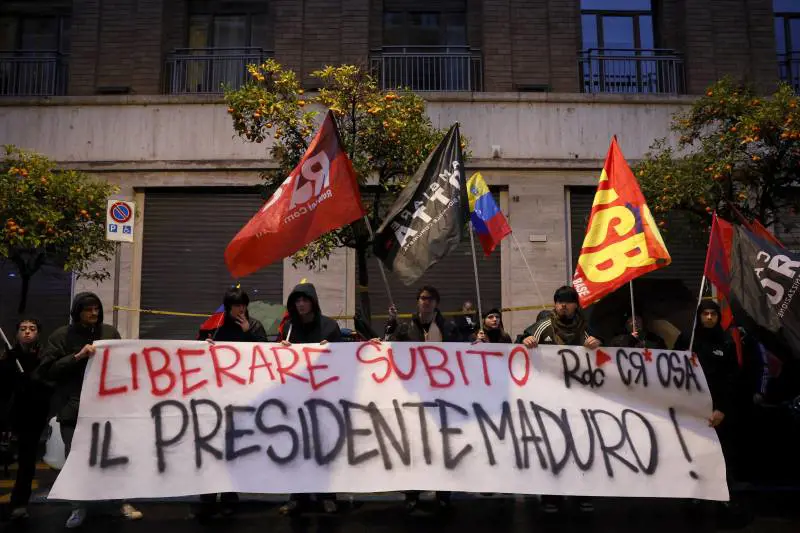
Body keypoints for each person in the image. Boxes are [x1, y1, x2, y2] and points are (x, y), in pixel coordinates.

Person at [39, 292, 143, 529]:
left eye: (96, 308)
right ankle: (78, 507)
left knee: (115, 457)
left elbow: (124, 364)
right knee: (75, 459)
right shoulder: (61, 336)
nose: (94, 313)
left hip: (107, 410)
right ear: (77, 311)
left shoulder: (109, 333)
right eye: (88, 309)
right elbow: (49, 370)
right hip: (73, 410)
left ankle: (120, 502)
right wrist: (77, 357)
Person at [519, 285, 600, 514]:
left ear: (576, 305)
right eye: (559, 301)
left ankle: (582, 492)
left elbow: (601, 356)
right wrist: (525, 341)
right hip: (549, 400)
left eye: (568, 301)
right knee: (552, 446)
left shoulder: (585, 330)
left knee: (582, 445)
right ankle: (550, 495)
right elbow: (518, 345)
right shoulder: (543, 327)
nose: (563, 305)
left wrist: (597, 345)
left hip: (579, 400)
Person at [194, 287, 268, 520]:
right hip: (215, 397)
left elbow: (265, 355)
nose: (242, 309)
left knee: (233, 447)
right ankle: (207, 496)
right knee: (211, 446)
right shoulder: (213, 327)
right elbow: (196, 353)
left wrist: (248, 333)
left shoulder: (254, 326)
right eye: (237, 306)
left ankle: (229, 495)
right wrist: (204, 345)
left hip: (241, 397)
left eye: (244, 305)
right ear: (228, 307)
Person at [385, 286, 458, 513]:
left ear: (436, 302)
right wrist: (391, 326)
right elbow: (391, 346)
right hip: (414, 396)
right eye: (422, 298)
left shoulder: (448, 327)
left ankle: (443, 493)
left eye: (430, 299)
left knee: (442, 446)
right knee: (414, 446)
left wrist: (477, 340)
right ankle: (412, 493)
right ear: (417, 302)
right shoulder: (406, 327)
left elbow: (462, 350)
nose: (425, 302)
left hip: (442, 397)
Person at [277, 281, 342, 516]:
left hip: (324, 399)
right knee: (297, 447)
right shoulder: (288, 329)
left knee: (323, 448)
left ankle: (327, 496)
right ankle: (298, 496)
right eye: (297, 300)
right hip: (296, 401)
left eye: (304, 300)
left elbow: (343, 362)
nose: (301, 304)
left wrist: (331, 350)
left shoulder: (329, 327)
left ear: (313, 302)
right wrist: (281, 350)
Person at [674, 300, 739, 505]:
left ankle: (723, 496)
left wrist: (722, 409)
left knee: (719, 454)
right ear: (699, 316)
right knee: (693, 452)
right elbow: (670, 369)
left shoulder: (726, 342)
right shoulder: (687, 339)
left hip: (716, 412)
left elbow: (731, 379)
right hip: (690, 409)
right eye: (705, 314)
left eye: (713, 314)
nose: (709, 318)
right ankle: (694, 495)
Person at [0, 318, 52, 520]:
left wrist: (33, 382)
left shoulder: (44, 356)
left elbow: (50, 383)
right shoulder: (9, 356)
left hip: (33, 415)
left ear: (38, 333)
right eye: (23, 329)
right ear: (17, 333)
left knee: (27, 461)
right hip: (10, 414)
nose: (27, 332)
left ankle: (19, 503)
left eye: (32, 329)